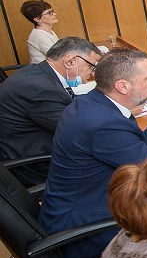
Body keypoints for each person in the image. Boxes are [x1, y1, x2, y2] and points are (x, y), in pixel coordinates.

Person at [39, 48, 147, 258]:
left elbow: (133, 147)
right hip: (84, 233)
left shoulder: (96, 104)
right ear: (122, 86)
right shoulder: (103, 124)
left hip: (80, 208)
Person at [0, 37, 103, 186]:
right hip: (37, 166)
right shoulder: (41, 89)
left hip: (26, 147)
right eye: (91, 67)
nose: (91, 74)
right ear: (70, 61)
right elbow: (80, 130)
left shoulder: (38, 73)